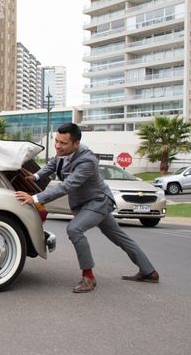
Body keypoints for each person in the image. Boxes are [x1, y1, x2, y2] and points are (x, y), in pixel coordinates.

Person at [14, 123, 159, 293]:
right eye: (57, 141)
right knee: (120, 238)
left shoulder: (87, 160)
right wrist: (37, 176)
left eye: (63, 143)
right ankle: (149, 271)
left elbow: (66, 186)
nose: (58, 146)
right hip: (86, 204)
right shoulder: (63, 153)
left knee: (74, 229)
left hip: (98, 202)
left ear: (76, 144)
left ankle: (88, 277)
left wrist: (35, 199)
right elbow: (54, 164)